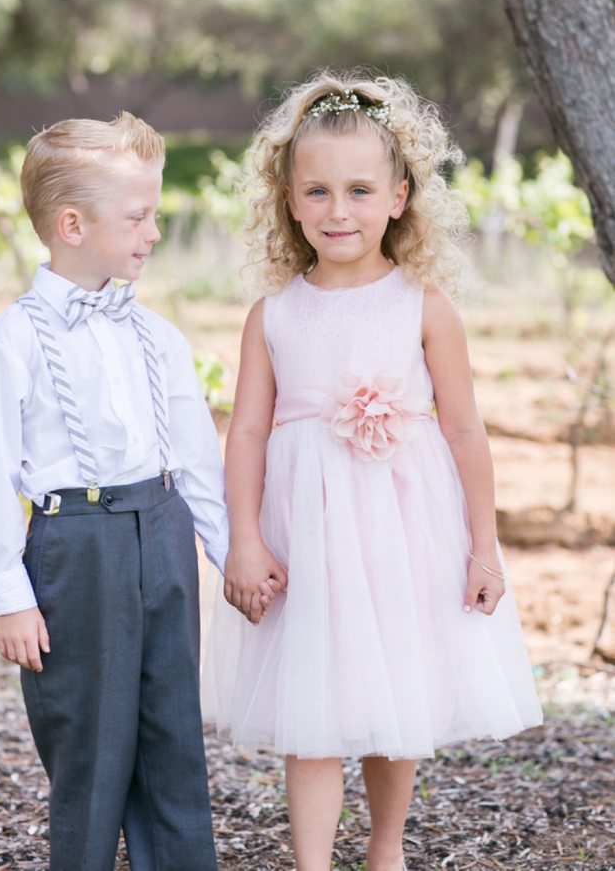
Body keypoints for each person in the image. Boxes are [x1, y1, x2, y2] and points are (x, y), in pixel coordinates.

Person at [214, 74, 543, 871]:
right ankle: (311, 862)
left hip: (403, 531)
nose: (338, 211)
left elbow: (464, 429)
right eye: (317, 191)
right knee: (312, 698)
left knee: (397, 686)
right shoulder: (275, 313)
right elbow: (249, 432)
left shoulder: (423, 305)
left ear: (399, 197)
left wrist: (483, 544)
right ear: (289, 200)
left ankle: (385, 849)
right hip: (307, 540)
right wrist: (245, 540)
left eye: (360, 190)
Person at [0, 113, 281, 871]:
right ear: (72, 224)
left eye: (154, 214)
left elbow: (197, 460)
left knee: (173, 734)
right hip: (75, 549)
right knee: (91, 742)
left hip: (161, 533)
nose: (154, 231)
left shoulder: (157, 337)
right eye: (138, 216)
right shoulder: (7, 345)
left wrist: (233, 552)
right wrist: (10, 595)